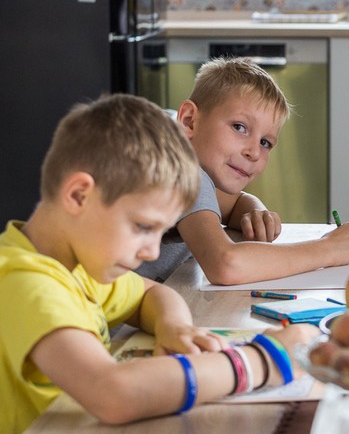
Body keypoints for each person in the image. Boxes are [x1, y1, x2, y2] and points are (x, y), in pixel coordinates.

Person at [0, 94, 318, 433]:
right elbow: (114, 394)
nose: (152, 252)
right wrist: (263, 361)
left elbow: (149, 294)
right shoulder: (25, 282)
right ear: (79, 195)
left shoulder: (74, 264)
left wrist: (175, 328)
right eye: (143, 227)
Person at [137, 57, 349, 285]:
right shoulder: (179, 169)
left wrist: (253, 212)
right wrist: (329, 249)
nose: (254, 152)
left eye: (265, 142)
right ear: (189, 120)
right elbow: (226, 265)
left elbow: (232, 204)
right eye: (239, 127)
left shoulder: (170, 140)